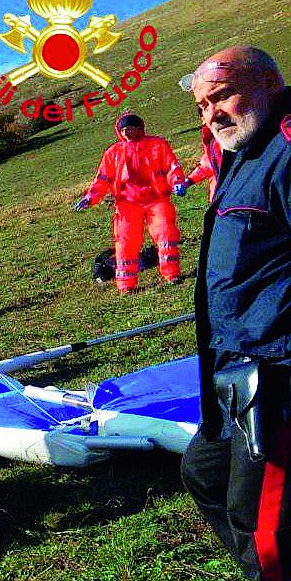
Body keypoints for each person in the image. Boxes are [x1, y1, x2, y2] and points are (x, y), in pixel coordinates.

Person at [177, 46, 291, 579]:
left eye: (220, 96)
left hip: (278, 377)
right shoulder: (241, 150)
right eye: (202, 106)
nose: (211, 113)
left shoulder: (287, 148)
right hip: (231, 371)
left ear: (270, 82)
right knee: (202, 473)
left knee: (263, 529)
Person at [73, 112, 187, 292]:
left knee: (166, 234)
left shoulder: (158, 145)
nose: (126, 133)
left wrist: (177, 182)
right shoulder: (113, 153)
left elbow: (171, 166)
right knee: (126, 242)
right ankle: (126, 284)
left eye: (130, 129)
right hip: (127, 204)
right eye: (123, 130)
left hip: (157, 200)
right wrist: (91, 197)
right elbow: (103, 178)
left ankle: (172, 274)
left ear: (139, 128)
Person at [180, 123, 224, 203]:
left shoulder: (233, 140)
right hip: (218, 200)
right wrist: (189, 181)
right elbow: (206, 166)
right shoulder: (211, 141)